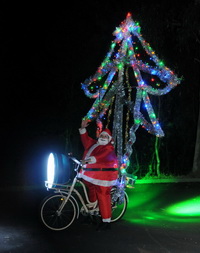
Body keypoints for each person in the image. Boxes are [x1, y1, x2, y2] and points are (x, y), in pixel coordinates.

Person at [78, 119, 118, 230]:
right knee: (90, 189)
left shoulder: (109, 147)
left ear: (109, 139)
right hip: (92, 174)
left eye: (106, 137)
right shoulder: (93, 144)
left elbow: (103, 156)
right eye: (102, 136)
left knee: (103, 195)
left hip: (105, 176)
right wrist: (83, 128)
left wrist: (90, 160)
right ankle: (91, 211)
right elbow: (85, 139)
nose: (103, 138)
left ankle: (106, 221)